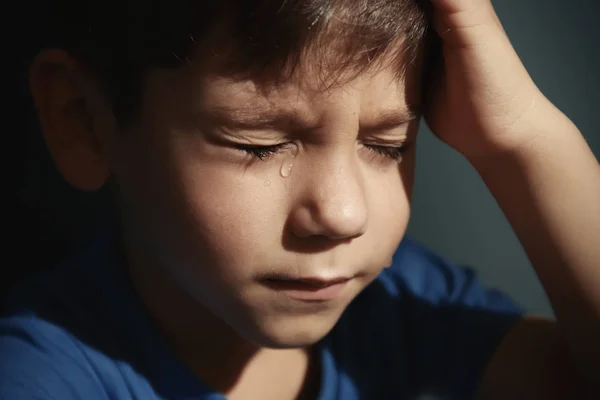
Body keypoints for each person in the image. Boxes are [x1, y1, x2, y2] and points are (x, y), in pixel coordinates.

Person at [2, 0, 599, 398]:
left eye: (388, 145)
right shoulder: (38, 376)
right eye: (259, 143)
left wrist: (526, 137)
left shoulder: (399, 303)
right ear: (82, 121)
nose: (343, 215)